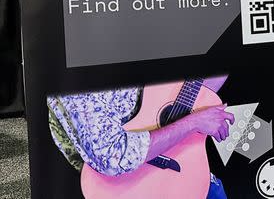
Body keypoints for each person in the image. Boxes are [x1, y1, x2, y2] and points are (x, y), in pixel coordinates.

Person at [47, 76, 234, 199]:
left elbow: (194, 91)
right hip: (127, 187)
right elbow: (113, 157)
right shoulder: (76, 76)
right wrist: (193, 123)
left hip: (187, 171)